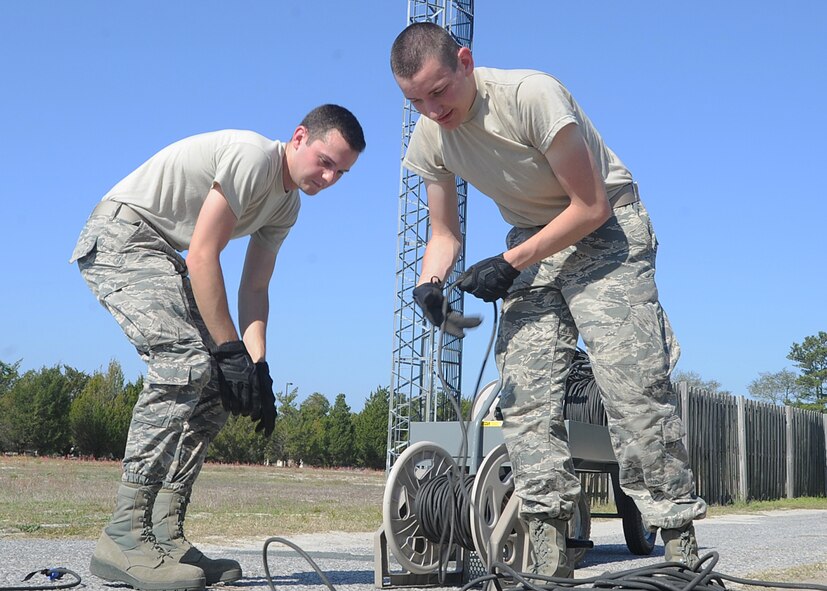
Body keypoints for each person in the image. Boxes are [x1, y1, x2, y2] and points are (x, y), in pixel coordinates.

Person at [390, 23, 706, 576]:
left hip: (606, 233)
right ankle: (547, 558)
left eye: (438, 92)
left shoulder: (531, 95)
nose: (432, 109)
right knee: (525, 399)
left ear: (465, 61)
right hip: (531, 241)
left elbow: (590, 206)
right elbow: (444, 234)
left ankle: (681, 553)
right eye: (415, 99)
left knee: (632, 391)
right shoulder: (429, 136)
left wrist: (509, 264)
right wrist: (429, 284)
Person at [70, 105, 365, 591]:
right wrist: (230, 352)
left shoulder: (287, 206)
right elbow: (203, 253)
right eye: (325, 161)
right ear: (298, 138)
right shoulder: (254, 158)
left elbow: (255, 288)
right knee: (183, 363)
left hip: (162, 256)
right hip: (125, 236)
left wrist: (257, 367)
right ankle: (123, 534)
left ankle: (163, 532)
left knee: (216, 390)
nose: (330, 177)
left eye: (342, 172)